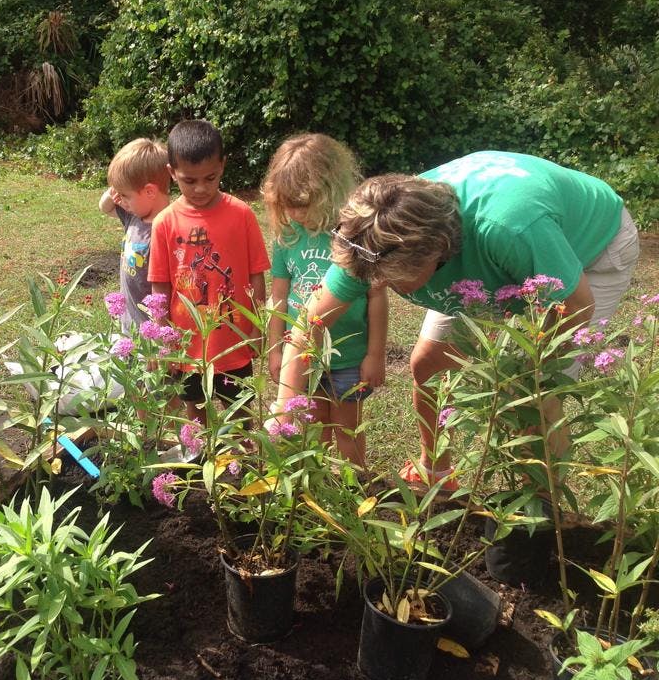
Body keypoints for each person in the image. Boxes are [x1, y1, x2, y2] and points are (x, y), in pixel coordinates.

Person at [274, 151, 639, 489]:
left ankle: (541, 511)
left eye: (390, 280)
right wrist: (282, 411)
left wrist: (515, 367)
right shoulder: (373, 240)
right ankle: (436, 470)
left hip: (590, 248)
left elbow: (576, 306)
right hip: (494, 254)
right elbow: (309, 325)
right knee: (426, 364)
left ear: (433, 258)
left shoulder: (506, 229)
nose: (377, 286)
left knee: (532, 396)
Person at [264, 134, 387, 466]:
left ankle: (355, 491)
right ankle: (319, 497)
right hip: (303, 359)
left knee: (348, 433)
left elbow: (377, 296)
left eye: (302, 203)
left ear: (330, 191)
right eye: (286, 203)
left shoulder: (354, 236)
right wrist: (276, 349)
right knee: (312, 432)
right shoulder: (287, 237)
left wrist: (375, 354)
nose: (294, 212)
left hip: (348, 356)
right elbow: (278, 298)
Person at [148, 120, 271, 423]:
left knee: (240, 414)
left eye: (211, 177)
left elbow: (257, 275)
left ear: (223, 165)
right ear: (171, 173)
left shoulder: (242, 214)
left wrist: (257, 329)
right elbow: (160, 286)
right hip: (188, 346)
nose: (201, 188)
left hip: (234, 340)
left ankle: (240, 462)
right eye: (189, 180)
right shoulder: (164, 222)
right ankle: (202, 461)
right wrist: (165, 338)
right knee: (196, 415)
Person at [98, 138, 172, 331]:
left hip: (151, 331)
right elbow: (104, 208)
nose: (120, 201)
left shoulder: (168, 231)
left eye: (125, 195)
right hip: (129, 323)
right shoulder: (135, 216)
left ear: (149, 192)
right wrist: (116, 189)